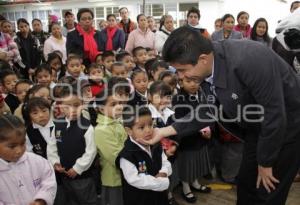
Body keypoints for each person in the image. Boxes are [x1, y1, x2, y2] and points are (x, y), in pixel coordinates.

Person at [142, 26, 300, 205]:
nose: (180, 76)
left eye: (182, 70)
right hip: (257, 130)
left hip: (287, 130)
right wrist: (165, 131)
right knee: (247, 186)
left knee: (268, 192)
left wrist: (265, 163)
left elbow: (275, 115)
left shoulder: (250, 59)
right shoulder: (207, 68)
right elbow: (208, 110)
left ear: (202, 59)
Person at [47, 86, 98, 205]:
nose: (73, 110)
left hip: (83, 177)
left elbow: (91, 151)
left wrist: (78, 168)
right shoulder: (57, 124)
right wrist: (55, 162)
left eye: (76, 105)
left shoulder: (87, 127)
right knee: (70, 201)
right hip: (64, 175)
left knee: (87, 201)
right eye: (67, 106)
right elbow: (52, 146)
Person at [116, 106, 172, 205]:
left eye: (150, 125)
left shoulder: (155, 143)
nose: (148, 130)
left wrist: (164, 172)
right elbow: (134, 179)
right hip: (140, 199)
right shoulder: (127, 155)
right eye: (141, 127)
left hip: (159, 196)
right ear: (129, 130)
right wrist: (159, 183)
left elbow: (165, 161)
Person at [0, 114, 57, 205]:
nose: (19, 151)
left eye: (22, 144)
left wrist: (41, 200)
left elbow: (49, 182)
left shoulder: (37, 161)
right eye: (12, 146)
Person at [172, 76, 212, 203]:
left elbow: (207, 113)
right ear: (181, 82)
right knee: (187, 165)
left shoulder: (203, 95)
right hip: (187, 139)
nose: (193, 84)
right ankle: (185, 188)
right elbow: (180, 121)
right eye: (188, 81)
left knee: (197, 163)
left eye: (196, 81)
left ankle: (195, 182)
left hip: (201, 137)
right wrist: (199, 129)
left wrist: (208, 128)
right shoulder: (178, 99)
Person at [92, 77, 130, 205]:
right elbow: (116, 157)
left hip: (125, 176)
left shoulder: (117, 121)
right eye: (113, 104)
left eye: (120, 103)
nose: (119, 106)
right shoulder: (101, 130)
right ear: (102, 109)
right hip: (114, 179)